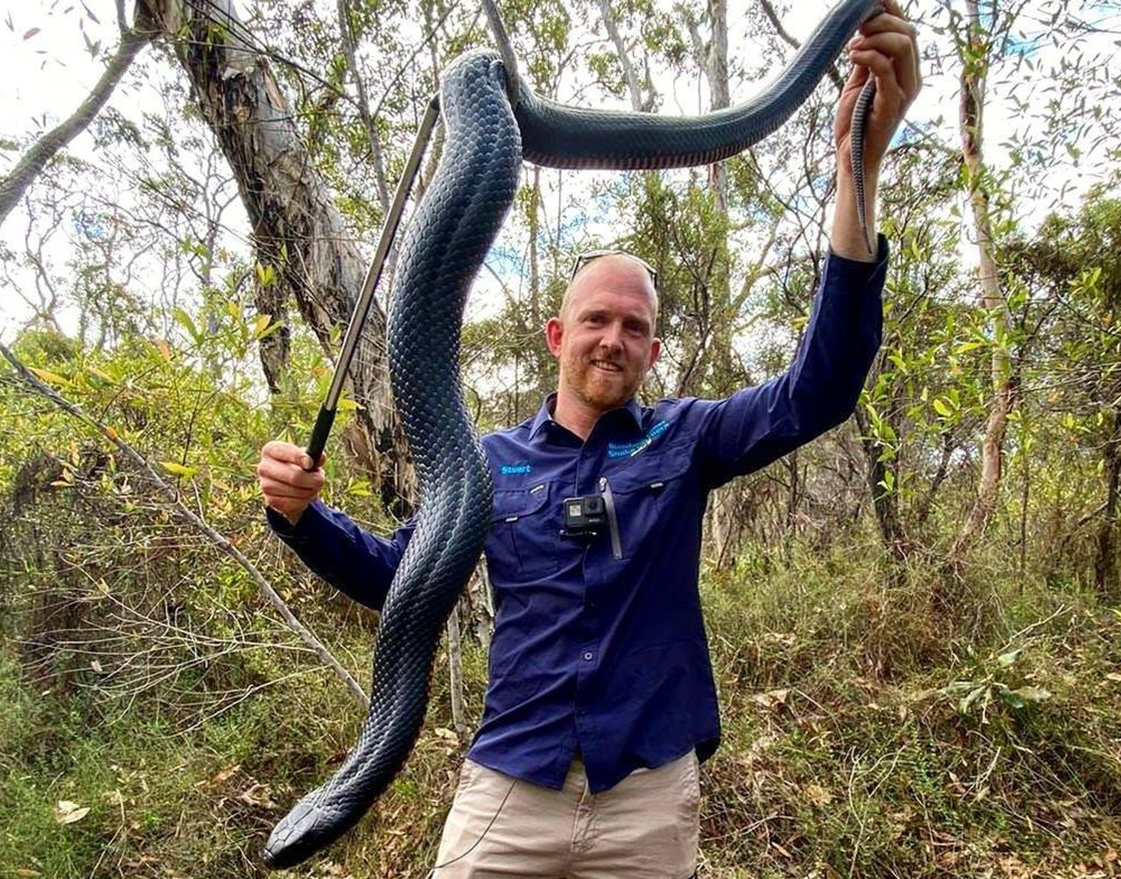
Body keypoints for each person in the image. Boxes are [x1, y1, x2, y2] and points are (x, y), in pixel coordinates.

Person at [257, 5, 919, 876]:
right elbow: (399, 582)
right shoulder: (481, 464)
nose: (614, 338)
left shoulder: (687, 438)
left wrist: (856, 168)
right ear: (555, 336)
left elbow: (820, 390)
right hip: (508, 789)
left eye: (634, 326)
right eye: (595, 319)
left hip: (647, 798)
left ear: (652, 348)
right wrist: (303, 515)